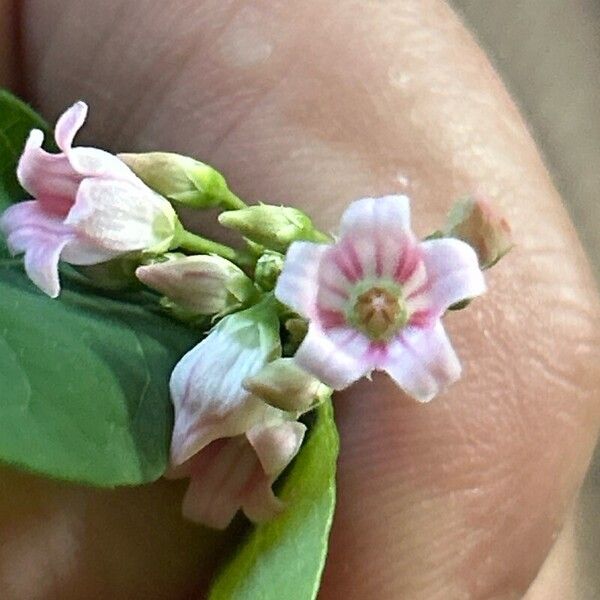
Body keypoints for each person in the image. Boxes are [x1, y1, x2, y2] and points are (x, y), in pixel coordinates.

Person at [0, 1, 599, 598]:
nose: (380, 308)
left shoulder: (334, 312)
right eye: (374, 301)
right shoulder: (321, 283)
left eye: (385, 308)